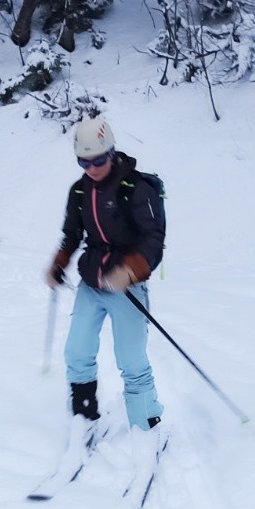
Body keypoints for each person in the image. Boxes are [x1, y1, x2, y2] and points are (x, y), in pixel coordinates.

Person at [44, 116, 165, 431]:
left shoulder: (135, 189)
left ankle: (146, 423)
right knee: (77, 351)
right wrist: (59, 263)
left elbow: (153, 240)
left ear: (111, 152)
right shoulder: (80, 192)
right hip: (92, 284)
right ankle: (84, 417)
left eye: (97, 159)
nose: (91, 168)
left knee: (131, 359)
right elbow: (71, 235)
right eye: (83, 161)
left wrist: (132, 269)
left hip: (126, 287)